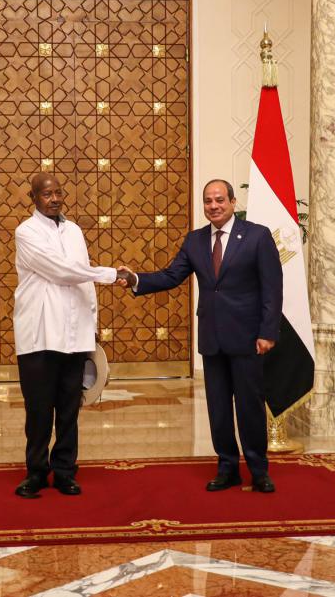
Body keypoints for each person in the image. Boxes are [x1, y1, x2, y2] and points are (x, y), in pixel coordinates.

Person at [118, 179, 282, 493]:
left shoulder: (257, 236)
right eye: (208, 201)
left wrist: (267, 332)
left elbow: (272, 289)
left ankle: (258, 470)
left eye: (220, 200)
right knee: (218, 408)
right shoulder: (194, 241)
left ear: (233, 202)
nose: (214, 206)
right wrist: (136, 278)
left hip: (249, 339)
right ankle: (227, 468)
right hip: (212, 337)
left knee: (249, 406)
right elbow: (171, 275)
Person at [13, 172, 128, 498]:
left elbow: (81, 279)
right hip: (39, 334)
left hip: (75, 334)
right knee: (38, 409)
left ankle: (64, 471)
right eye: (46, 194)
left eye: (58, 192)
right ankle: (36, 473)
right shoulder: (26, 232)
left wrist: (91, 328)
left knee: (68, 408)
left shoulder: (75, 230)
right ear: (33, 198)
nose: (54, 199)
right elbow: (61, 271)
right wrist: (110, 274)